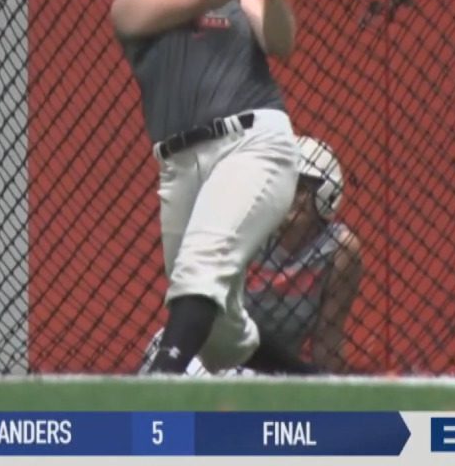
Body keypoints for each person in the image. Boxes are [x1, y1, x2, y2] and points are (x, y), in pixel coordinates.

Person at [95, 0, 327, 375]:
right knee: (220, 338)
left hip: (253, 145)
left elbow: (280, 42)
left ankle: (159, 383)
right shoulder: (131, 5)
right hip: (180, 165)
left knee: (201, 267)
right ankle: (321, 387)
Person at [139, 135, 364, 376]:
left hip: (275, 369)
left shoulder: (338, 250)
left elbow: (328, 339)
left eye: (298, 188)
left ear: (325, 195)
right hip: (212, 352)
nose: (286, 195)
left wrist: (334, 397)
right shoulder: (246, 226)